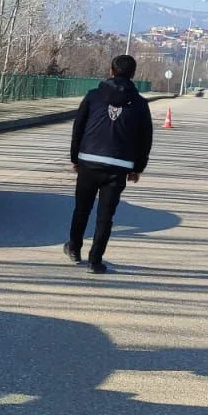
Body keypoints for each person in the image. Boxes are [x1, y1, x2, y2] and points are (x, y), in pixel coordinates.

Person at [66, 54, 154, 274]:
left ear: (111, 71)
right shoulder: (141, 104)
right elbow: (146, 138)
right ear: (133, 74)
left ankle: (74, 249)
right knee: (106, 216)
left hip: (89, 160)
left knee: (82, 209)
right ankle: (95, 261)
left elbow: (78, 128)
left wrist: (75, 158)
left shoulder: (93, 96)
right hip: (119, 166)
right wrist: (138, 167)